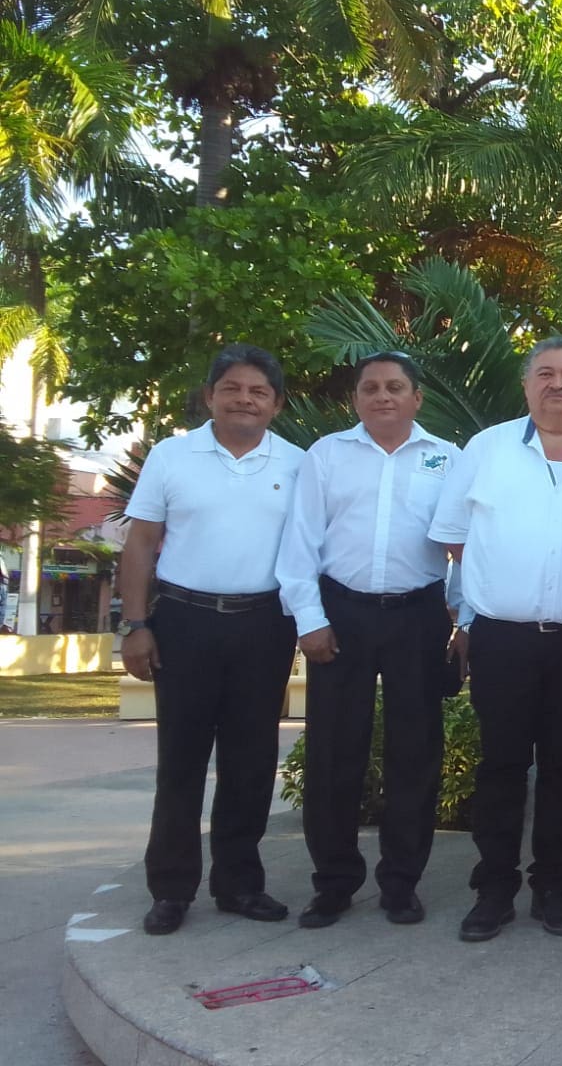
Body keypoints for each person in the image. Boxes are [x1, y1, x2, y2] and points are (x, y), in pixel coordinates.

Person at [428, 337, 562, 943]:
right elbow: (454, 536)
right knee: (501, 764)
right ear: (526, 385)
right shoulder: (487, 448)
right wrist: (490, 590)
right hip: (503, 639)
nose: (557, 384)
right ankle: (493, 890)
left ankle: (553, 888)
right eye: (544, 373)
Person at [119, 345, 304, 936]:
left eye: (258, 391)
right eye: (232, 388)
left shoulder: (298, 464)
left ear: (276, 404)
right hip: (184, 621)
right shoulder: (172, 456)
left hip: (264, 625)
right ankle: (171, 890)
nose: (244, 399)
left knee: (252, 760)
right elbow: (141, 543)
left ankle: (240, 884)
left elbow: (309, 550)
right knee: (181, 761)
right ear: (210, 396)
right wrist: (135, 625)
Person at [274, 351, 458, 929]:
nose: (383, 396)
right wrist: (309, 619)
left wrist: (465, 621)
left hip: (419, 615)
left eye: (395, 387)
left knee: (415, 753)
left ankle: (401, 884)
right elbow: (300, 541)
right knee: (333, 753)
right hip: (342, 615)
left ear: (416, 398)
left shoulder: (447, 459)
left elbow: (466, 546)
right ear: (355, 398)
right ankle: (333, 883)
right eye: (371, 387)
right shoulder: (326, 455)